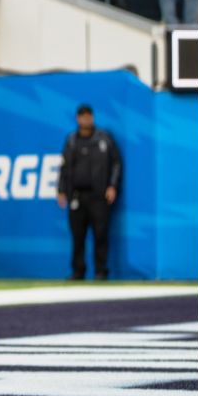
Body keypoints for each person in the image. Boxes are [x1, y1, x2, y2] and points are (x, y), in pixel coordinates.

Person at [57, 104, 122, 281]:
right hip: (77, 196)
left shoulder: (104, 138)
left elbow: (116, 163)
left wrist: (112, 185)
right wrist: (61, 190)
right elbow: (64, 167)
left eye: (89, 116)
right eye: (83, 116)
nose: (86, 119)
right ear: (77, 119)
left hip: (98, 196)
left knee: (100, 234)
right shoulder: (71, 140)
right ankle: (78, 271)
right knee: (78, 236)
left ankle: (101, 271)